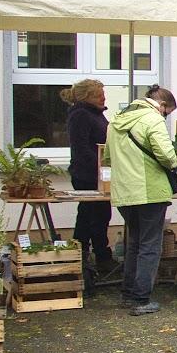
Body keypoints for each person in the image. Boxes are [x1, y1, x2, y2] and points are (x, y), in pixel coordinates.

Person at [104, 85, 177, 316]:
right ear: (162, 105)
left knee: (134, 243)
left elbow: (107, 156)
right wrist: (175, 165)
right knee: (149, 245)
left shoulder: (116, 121)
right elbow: (167, 156)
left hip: (125, 192)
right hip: (150, 190)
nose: (165, 117)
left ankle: (128, 293)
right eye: (168, 112)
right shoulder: (152, 119)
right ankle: (141, 298)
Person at [60, 79, 115, 282]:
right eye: (99, 94)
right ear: (87, 97)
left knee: (99, 215)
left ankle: (97, 255)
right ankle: (86, 257)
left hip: (99, 174)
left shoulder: (95, 113)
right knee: (89, 215)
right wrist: (101, 167)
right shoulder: (81, 115)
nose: (103, 97)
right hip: (87, 175)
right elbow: (81, 147)